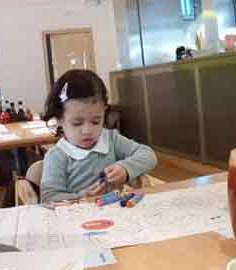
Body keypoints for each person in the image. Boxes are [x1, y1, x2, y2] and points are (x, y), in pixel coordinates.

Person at [40, 70, 157, 203]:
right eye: (77, 123)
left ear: (104, 112)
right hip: (79, 215)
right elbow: (49, 198)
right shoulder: (57, 156)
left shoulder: (111, 139)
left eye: (96, 121)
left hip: (116, 211)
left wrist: (125, 168)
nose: (87, 131)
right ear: (59, 120)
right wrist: (82, 196)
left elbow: (148, 155)